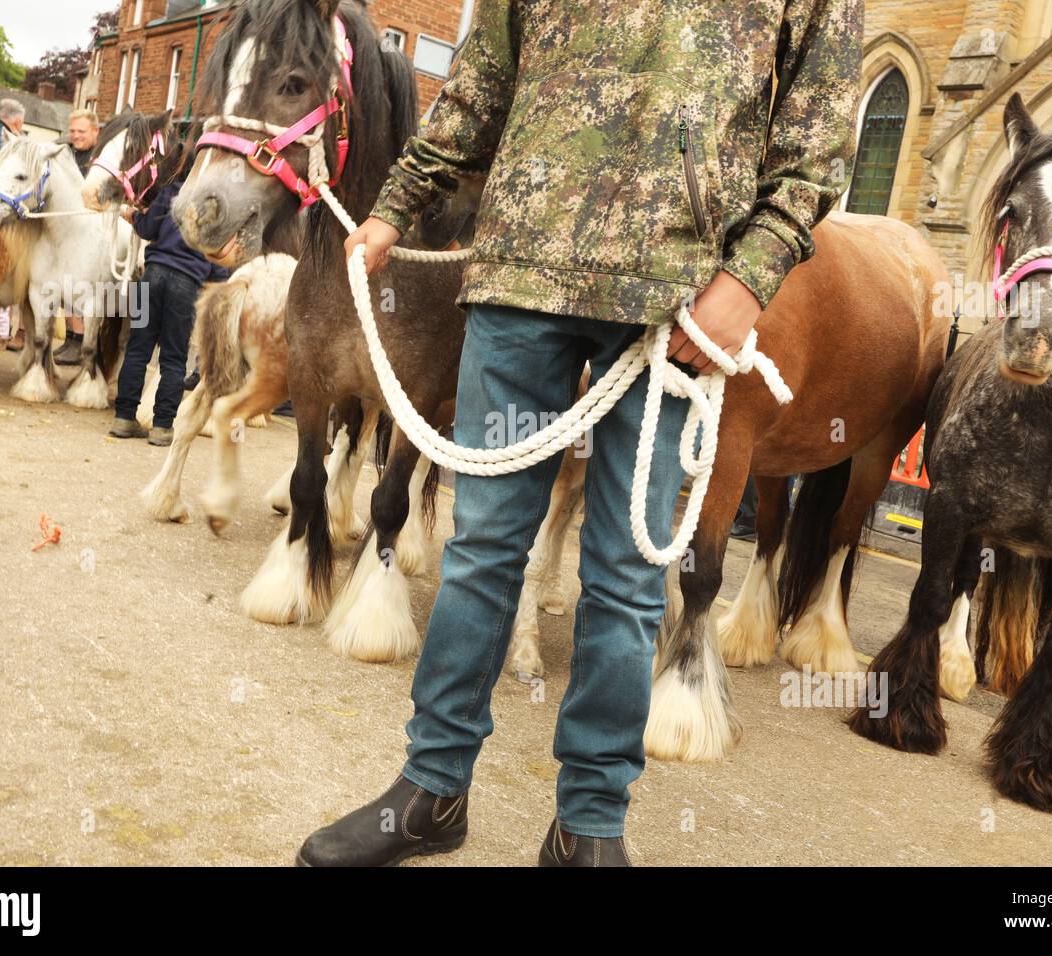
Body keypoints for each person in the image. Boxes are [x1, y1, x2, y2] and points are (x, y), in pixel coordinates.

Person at [296, 0, 862, 867]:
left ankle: (589, 826)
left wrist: (750, 277)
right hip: (523, 268)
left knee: (628, 576)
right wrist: (395, 205)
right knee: (483, 548)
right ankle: (432, 789)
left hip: (674, 295)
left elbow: (816, 139)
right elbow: (481, 82)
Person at [110, 177, 229, 447]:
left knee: (136, 349)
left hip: (149, 278)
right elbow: (219, 262)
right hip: (186, 286)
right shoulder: (221, 204)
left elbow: (148, 228)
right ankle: (162, 426)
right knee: (174, 359)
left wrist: (134, 217)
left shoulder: (172, 188)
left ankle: (123, 417)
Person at [54, 109, 103, 365]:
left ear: (96, 131)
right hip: (69, 229)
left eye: (81, 132)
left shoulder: (102, 158)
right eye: (72, 131)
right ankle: (72, 338)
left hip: (96, 232)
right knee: (65, 286)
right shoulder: (66, 153)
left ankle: (84, 339)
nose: (75, 136)